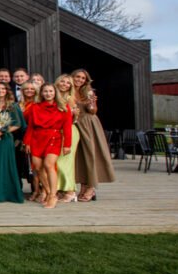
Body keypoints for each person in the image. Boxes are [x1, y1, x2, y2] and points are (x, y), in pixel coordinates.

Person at [23, 83, 73, 209]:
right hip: (37, 138)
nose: (48, 94)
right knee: (38, 167)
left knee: (49, 164)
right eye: (45, 91)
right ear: (41, 93)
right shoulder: (35, 107)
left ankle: (52, 196)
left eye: (51, 91)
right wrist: (27, 142)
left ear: (55, 92)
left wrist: (67, 144)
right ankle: (49, 191)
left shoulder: (63, 107)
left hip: (54, 137)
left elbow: (67, 127)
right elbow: (30, 126)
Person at [71, 69, 116, 201]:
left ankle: (91, 187)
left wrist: (91, 104)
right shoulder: (68, 91)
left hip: (89, 124)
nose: (79, 80)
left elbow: (93, 111)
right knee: (79, 157)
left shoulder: (88, 92)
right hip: (75, 125)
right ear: (72, 77)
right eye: (77, 77)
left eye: (83, 78)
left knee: (91, 154)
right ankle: (84, 186)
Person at [53, 74, 81, 203]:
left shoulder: (69, 98)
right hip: (57, 131)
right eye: (62, 82)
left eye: (68, 83)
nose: (65, 84)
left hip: (68, 131)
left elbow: (73, 118)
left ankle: (71, 191)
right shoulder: (54, 96)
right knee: (57, 161)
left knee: (65, 162)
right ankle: (61, 189)